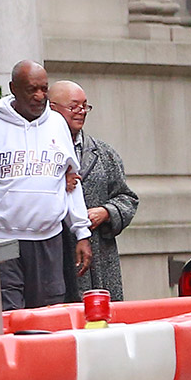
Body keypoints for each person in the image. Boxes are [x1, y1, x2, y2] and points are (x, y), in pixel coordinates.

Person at [0, 61, 92, 310]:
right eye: (31, 90)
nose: (39, 96)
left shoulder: (57, 125)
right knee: (9, 317)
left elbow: (71, 181)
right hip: (0, 243)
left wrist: (82, 232)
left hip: (48, 241)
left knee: (47, 319)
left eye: (44, 89)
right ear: (13, 89)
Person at [49, 80, 139, 301]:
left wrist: (107, 212)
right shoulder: (40, 153)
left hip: (99, 260)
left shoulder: (103, 153)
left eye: (85, 106)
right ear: (52, 108)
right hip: (55, 253)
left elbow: (128, 198)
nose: (81, 112)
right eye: (74, 107)